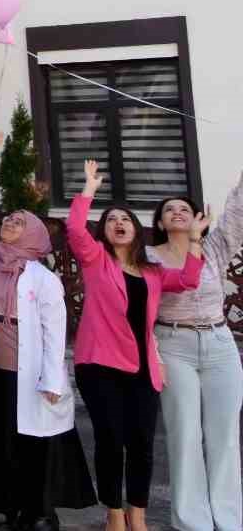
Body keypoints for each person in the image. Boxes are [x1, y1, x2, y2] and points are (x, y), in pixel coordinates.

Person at [68, 160, 203, 531]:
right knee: (110, 439)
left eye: (125, 218)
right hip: (99, 365)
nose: (119, 223)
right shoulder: (95, 259)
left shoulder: (152, 272)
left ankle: (137, 515)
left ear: (136, 229)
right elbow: (75, 229)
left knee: (141, 443)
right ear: (104, 231)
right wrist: (89, 189)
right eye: (111, 219)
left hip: (143, 367)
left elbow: (189, 279)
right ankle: (114, 513)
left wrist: (194, 239)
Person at [0, 206, 95, 531]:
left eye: (19, 222)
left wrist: (53, 379)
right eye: (9, 219)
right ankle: (12, 509)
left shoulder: (43, 279)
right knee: (3, 443)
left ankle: (41, 512)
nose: (10, 223)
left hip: (30, 374)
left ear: (33, 234)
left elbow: (55, 332)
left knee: (34, 445)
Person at [148, 176, 243, 531]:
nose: (177, 212)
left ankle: (229, 519)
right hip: (174, 344)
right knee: (185, 434)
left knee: (225, 434)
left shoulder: (213, 249)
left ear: (197, 218)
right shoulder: (149, 258)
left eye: (184, 208)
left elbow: (237, 214)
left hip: (219, 343)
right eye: (169, 210)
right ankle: (192, 522)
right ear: (160, 223)